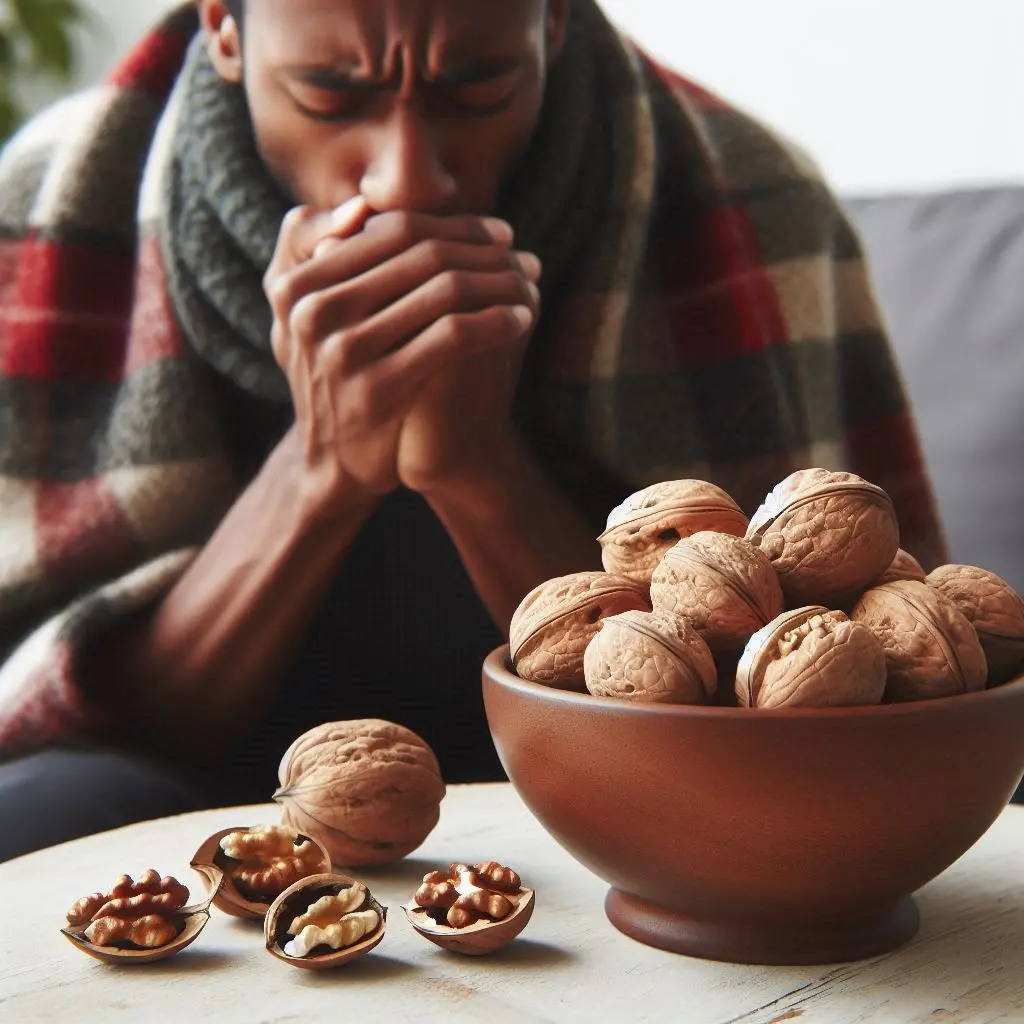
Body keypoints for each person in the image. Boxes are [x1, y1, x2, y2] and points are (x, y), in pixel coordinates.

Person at [0, 0, 948, 862]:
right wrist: (322, 468)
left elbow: (774, 716)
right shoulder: (50, 208)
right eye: (329, 91)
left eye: (480, 87)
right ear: (224, 28)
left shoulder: (750, 201)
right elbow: (99, 725)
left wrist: (477, 464)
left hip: (611, 795)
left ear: (553, 24)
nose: (408, 180)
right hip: (201, 789)